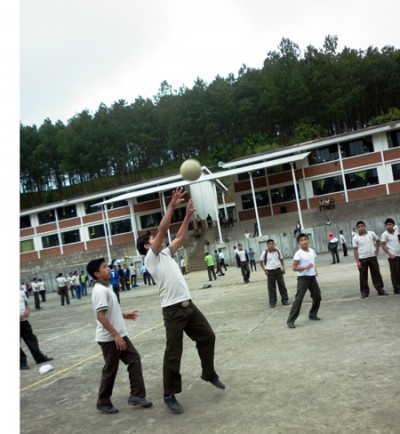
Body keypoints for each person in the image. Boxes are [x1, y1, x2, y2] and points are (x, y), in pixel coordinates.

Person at [136, 187, 225, 414]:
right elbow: (163, 229)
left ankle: (208, 373)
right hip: (173, 311)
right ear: (148, 245)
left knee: (208, 336)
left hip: (188, 305)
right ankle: (169, 394)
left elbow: (180, 237)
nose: (158, 239)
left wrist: (186, 216)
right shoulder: (151, 258)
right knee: (174, 353)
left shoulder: (165, 253)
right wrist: (171, 207)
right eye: (153, 239)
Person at [87, 258, 152, 414]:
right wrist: (116, 336)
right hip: (110, 338)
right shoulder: (101, 290)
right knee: (111, 369)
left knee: (134, 359)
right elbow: (101, 316)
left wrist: (124, 315)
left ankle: (136, 395)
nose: (108, 269)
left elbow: (109, 311)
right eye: (104, 267)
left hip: (118, 335)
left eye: (107, 266)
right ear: (96, 274)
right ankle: (103, 401)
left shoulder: (107, 287)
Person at [287, 233, 322, 329]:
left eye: (305, 239)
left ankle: (312, 314)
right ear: (299, 243)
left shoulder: (311, 251)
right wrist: (305, 268)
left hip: (312, 277)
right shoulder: (298, 254)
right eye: (301, 240)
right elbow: (294, 268)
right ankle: (290, 320)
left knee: (317, 296)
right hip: (303, 279)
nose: (304, 241)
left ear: (308, 240)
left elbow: (313, 263)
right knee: (298, 299)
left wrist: (315, 270)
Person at [352, 220, 388, 298]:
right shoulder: (355, 238)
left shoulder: (371, 234)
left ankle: (380, 289)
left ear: (365, 227)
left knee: (376, 274)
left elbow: (378, 241)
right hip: (362, 259)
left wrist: (377, 250)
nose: (361, 228)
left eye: (362, 226)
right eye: (359, 227)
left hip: (372, 257)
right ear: (357, 228)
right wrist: (357, 261)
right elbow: (355, 250)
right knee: (363, 276)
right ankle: (364, 292)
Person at [20, 288, 53, 370]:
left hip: (24, 321)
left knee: (32, 340)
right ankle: (21, 363)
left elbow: (26, 302)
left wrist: (27, 311)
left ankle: (39, 358)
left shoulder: (21, 292)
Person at [260, 239, 289, 308]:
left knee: (282, 286)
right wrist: (265, 270)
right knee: (271, 288)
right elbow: (261, 262)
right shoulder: (264, 253)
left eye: (272, 244)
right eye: (270, 244)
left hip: (278, 270)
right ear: (267, 245)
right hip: (270, 272)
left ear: (274, 244)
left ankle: (285, 300)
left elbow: (281, 259)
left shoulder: (278, 251)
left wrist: (283, 267)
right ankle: (272, 302)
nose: (271, 245)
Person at [380, 218, 400, 294]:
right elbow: (383, 245)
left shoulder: (396, 232)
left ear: (393, 225)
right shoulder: (384, 234)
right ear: (385, 226)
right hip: (392, 256)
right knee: (395, 273)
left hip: (399, 254)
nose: (389, 226)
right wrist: (390, 254)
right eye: (387, 225)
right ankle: (396, 289)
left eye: (390, 224)